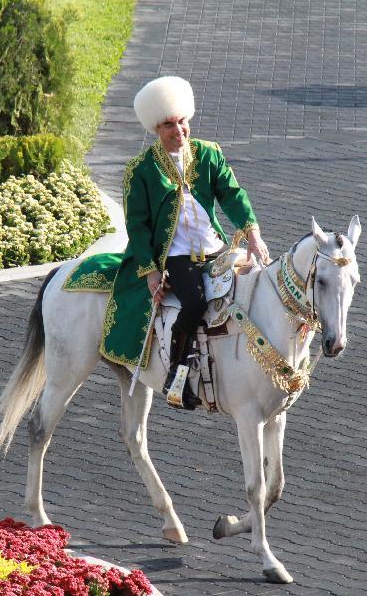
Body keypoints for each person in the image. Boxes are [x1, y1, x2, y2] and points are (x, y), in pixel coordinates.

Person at [92, 76, 269, 409]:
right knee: (195, 303)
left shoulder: (209, 154)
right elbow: (138, 227)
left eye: (182, 121)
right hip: (176, 256)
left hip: (216, 248)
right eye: (169, 125)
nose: (179, 131)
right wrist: (151, 274)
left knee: (254, 288)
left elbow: (232, 194)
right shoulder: (140, 170)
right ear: (156, 129)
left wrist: (253, 234)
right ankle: (177, 375)